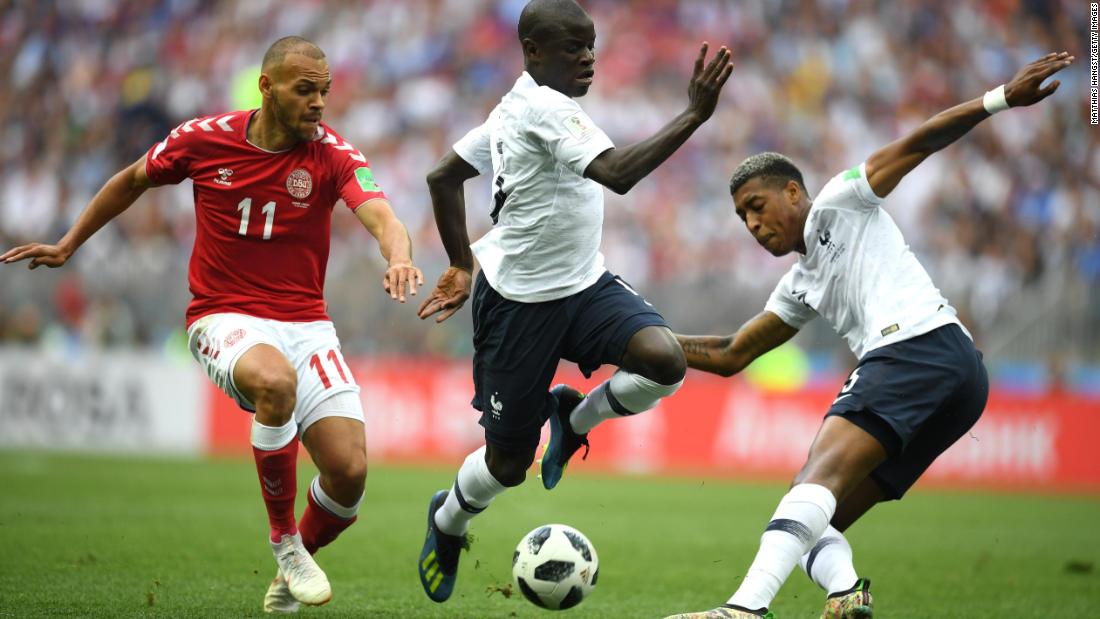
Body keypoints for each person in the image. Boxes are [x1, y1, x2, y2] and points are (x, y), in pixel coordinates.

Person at [1, 36, 423, 614]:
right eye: (306, 90)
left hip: (307, 326)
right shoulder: (203, 139)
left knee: (349, 474)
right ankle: (286, 543)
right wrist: (70, 243)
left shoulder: (332, 154)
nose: (320, 103)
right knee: (274, 384)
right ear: (267, 88)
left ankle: (292, 565)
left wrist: (398, 255)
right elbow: (131, 180)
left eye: (324, 90)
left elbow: (382, 214)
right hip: (223, 315)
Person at [664, 52, 1074, 619]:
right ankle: (847, 593)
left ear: (791, 192)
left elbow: (918, 143)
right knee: (810, 517)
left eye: (757, 207)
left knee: (811, 485)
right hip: (959, 380)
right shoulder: (800, 284)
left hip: (914, 347)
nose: (754, 225)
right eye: (742, 219)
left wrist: (1001, 97)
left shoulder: (841, 200)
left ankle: (743, 610)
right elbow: (734, 353)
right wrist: (636, 339)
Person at [414, 0, 732, 604]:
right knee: (508, 466)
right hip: (517, 307)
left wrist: (460, 259)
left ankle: (573, 419)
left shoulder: (516, 109)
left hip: (584, 286)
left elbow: (443, 176)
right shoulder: (544, 110)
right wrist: (694, 114)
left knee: (664, 360)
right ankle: (447, 520)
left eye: (591, 44)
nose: (588, 57)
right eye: (571, 47)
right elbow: (616, 172)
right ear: (533, 52)